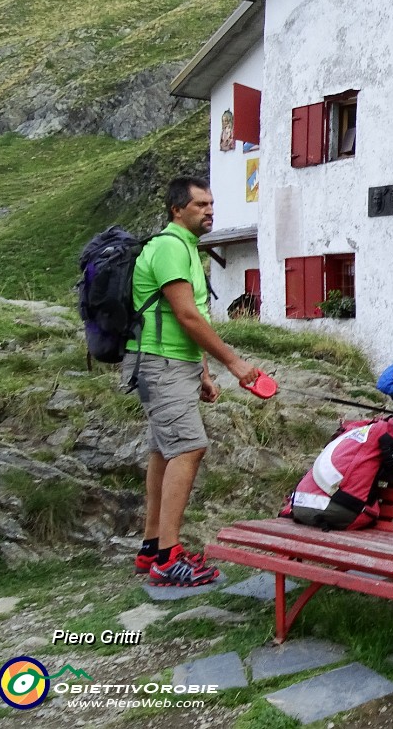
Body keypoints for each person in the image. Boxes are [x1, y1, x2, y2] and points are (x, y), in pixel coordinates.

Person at [128, 177, 260, 586]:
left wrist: (202, 372)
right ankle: (170, 558)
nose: (210, 210)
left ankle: (152, 548)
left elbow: (190, 317)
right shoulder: (169, 247)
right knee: (189, 447)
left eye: (212, 203)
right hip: (160, 362)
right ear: (177, 209)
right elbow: (186, 316)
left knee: (164, 452)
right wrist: (234, 363)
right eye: (201, 204)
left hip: (175, 363)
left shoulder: (186, 247)